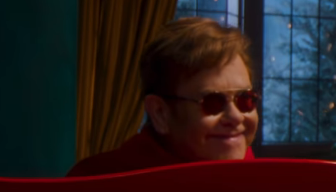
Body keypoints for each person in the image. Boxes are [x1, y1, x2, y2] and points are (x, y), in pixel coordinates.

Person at [68, 17, 260, 177]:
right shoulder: (94, 185)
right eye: (213, 102)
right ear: (160, 113)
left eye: (245, 100)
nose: (236, 117)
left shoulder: (266, 182)